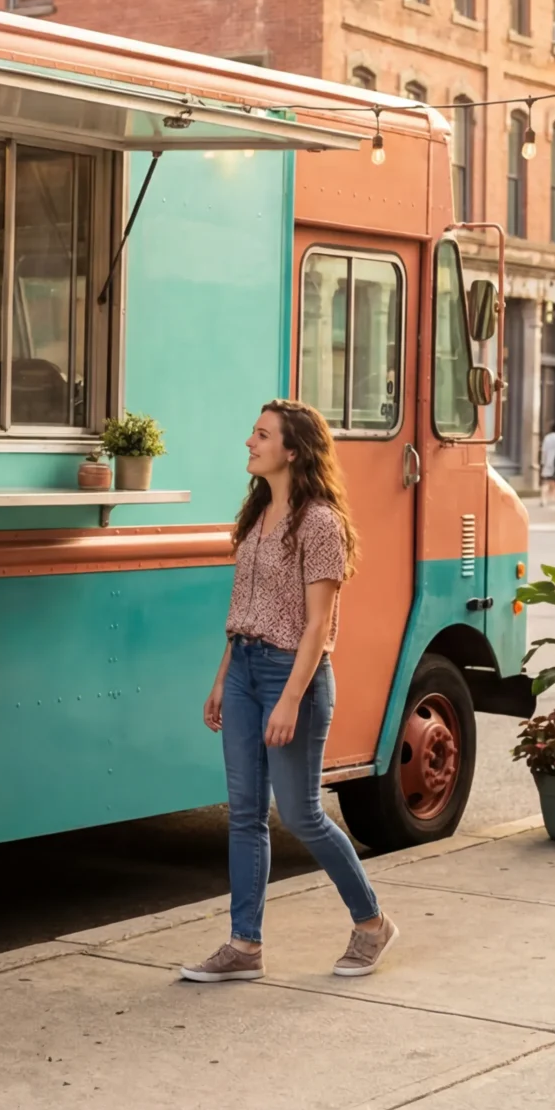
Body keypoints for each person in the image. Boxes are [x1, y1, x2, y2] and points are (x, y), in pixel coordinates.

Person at [179, 399, 395, 983]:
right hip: (246, 669)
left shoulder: (320, 523)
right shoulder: (256, 517)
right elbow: (243, 608)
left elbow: (319, 626)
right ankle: (243, 946)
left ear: (293, 450)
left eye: (262, 435)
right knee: (244, 814)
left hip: (289, 674)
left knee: (300, 815)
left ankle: (372, 923)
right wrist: (225, 678)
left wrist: (292, 698)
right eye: (252, 433)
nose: (250, 443)